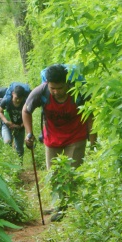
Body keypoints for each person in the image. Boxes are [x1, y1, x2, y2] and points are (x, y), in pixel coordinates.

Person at [22, 64, 95, 220]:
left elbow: (90, 117)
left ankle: (67, 208)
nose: (56, 92)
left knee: (71, 174)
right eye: (52, 88)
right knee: (53, 175)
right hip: (52, 138)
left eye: (60, 88)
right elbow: (26, 110)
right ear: (47, 84)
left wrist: (93, 142)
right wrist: (29, 133)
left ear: (67, 83)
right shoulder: (41, 92)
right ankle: (58, 206)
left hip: (76, 136)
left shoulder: (79, 92)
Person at [0, 84, 28, 159]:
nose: (18, 100)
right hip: (7, 125)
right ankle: (8, 161)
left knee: (20, 148)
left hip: (20, 127)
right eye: (16, 98)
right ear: (13, 94)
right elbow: (0, 112)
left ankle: (19, 164)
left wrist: (22, 124)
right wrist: (6, 122)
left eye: (20, 98)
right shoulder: (6, 101)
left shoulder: (25, 102)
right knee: (7, 142)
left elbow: (28, 115)